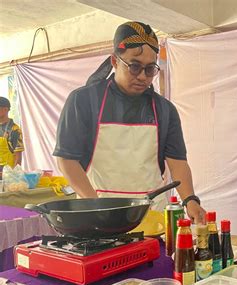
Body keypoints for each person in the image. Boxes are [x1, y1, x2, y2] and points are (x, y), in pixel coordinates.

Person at [53, 21, 206, 224]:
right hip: (98, 212)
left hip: (151, 215)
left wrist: (190, 200)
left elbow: (177, 162)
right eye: (134, 67)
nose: (143, 77)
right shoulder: (84, 101)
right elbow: (67, 159)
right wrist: (95, 206)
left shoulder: (164, 110)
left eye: (150, 69)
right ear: (115, 62)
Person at [0, 96, 23, 177]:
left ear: (5, 109)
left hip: (7, 175)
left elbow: (18, 156)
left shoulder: (14, 130)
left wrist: (14, 176)